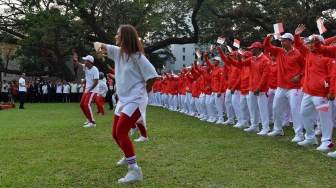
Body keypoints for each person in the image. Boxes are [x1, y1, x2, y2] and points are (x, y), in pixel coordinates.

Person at [94, 25, 158, 184]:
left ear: (125, 37)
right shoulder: (118, 52)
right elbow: (97, 43)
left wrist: (142, 91)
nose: (115, 37)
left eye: (118, 34)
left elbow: (153, 77)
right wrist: (98, 49)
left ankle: (135, 170)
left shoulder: (138, 57)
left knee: (122, 132)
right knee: (115, 134)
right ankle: (128, 156)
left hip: (135, 99)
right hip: (123, 100)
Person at [294, 24, 336, 149]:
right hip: (308, 92)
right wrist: (296, 35)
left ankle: (327, 142)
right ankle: (310, 138)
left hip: (322, 94)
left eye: (311, 43)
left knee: (324, 119)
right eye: (308, 43)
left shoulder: (329, 56)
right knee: (304, 114)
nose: (308, 45)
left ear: (319, 43)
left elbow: (333, 75)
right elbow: (298, 45)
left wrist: (332, 91)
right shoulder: (308, 53)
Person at [263, 33, 306, 141]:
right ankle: (278, 129)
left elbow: (306, 67)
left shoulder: (298, 53)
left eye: (285, 41)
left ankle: (299, 134)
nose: (282, 43)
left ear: (291, 41)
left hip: (294, 87)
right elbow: (267, 46)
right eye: (281, 41)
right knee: (276, 107)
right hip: (281, 86)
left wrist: (300, 75)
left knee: (295, 109)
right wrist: (268, 38)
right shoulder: (279, 51)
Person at [73, 54, 99, 128]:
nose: (84, 62)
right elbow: (79, 65)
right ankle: (89, 119)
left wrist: (89, 90)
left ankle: (92, 122)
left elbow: (96, 82)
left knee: (86, 104)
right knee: (82, 105)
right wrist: (75, 61)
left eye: (85, 60)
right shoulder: (86, 67)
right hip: (87, 90)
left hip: (93, 90)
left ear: (89, 62)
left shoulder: (95, 69)